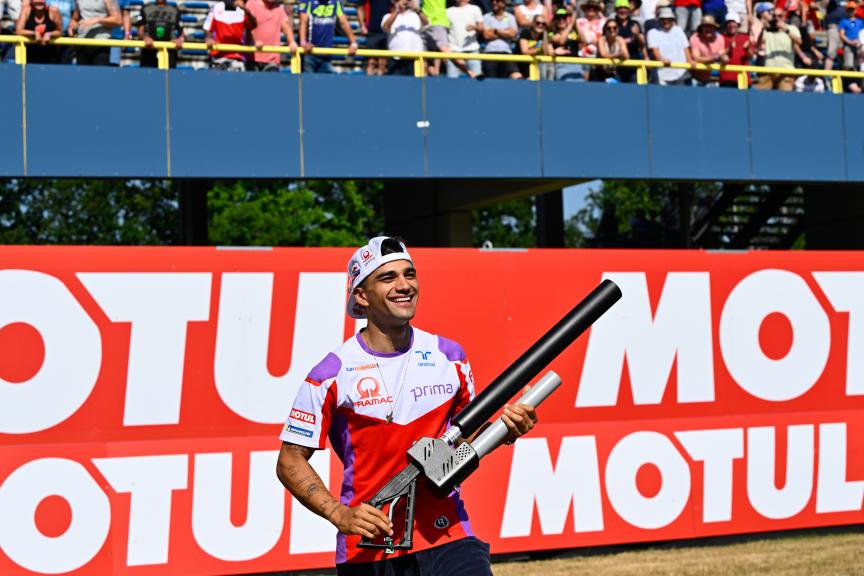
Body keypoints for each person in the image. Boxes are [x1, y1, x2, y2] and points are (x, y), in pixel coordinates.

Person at [275, 236, 538, 575]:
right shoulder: (330, 373)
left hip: (446, 533)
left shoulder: (450, 356)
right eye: (388, 278)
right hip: (370, 546)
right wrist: (339, 514)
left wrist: (507, 429)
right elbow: (289, 459)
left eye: (409, 274)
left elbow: (465, 439)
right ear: (361, 295)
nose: (404, 285)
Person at [299, 0, 356, 74]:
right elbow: (303, 23)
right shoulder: (307, 1)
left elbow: (344, 22)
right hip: (310, 53)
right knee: (308, 83)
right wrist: (303, 43)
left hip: (326, 54)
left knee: (324, 83)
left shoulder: (336, 2)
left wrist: (353, 43)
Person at [753, 3, 799, 90]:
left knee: (785, 99)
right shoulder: (767, 30)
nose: (777, 18)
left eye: (780, 15)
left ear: (785, 16)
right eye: (775, 15)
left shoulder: (791, 28)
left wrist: (785, 30)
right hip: (768, 71)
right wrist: (762, 29)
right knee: (761, 98)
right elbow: (758, 44)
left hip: (786, 71)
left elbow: (799, 42)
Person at [204, 0, 256, 71]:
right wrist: (208, 38)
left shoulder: (243, 9)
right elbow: (207, 27)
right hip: (218, 56)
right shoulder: (216, 7)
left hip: (238, 57)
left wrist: (246, 10)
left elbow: (253, 25)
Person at [647, 5, 693, 84]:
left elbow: (685, 47)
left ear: (672, 20)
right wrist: (661, 59)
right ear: (659, 20)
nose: (666, 21)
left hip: (681, 73)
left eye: (668, 19)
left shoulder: (679, 30)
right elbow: (654, 50)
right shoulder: (652, 32)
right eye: (663, 19)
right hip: (662, 74)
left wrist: (690, 60)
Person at [68, 0, 122, 65]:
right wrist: (71, 26)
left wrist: (97, 19)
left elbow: (118, 20)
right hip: (82, 43)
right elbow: (75, 19)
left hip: (101, 44)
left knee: (99, 74)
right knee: (82, 74)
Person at [382, 0, 426, 75]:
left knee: (416, 86)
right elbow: (386, 27)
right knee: (395, 85)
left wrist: (418, 10)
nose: (405, 2)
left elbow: (427, 24)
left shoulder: (415, 16)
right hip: (396, 59)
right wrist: (397, 10)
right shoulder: (388, 16)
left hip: (415, 60)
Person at [136, 0, 184, 68]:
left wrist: (180, 39)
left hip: (169, 50)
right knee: (148, 75)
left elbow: (182, 32)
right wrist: (145, 38)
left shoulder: (175, 10)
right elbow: (140, 31)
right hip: (149, 49)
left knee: (169, 77)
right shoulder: (146, 8)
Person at [481, 0, 521, 78]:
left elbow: (512, 34)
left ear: (503, 3)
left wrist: (496, 30)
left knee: (506, 79)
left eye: (497, 1)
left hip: (506, 52)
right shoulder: (486, 17)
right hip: (490, 53)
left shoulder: (510, 17)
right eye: (492, 1)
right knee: (490, 80)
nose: (494, 3)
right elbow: (486, 35)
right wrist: (505, 32)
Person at [446, 0, 484, 78]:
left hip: (472, 51)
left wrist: (474, 27)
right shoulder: (448, 11)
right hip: (454, 51)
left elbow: (481, 29)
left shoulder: (475, 9)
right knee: (451, 83)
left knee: (477, 82)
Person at [549, 7, 585, 80]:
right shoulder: (552, 33)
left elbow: (583, 40)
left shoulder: (573, 32)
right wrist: (571, 24)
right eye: (559, 18)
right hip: (562, 65)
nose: (561, 20)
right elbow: (561, 41)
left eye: (564, 18)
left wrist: (575, 23)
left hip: (576, 64)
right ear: (555, 20)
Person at [689, 14, 726, 85]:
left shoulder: (720, 38)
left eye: (711, 26)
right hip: (693, 78)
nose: (709, 29)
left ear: (714, 28)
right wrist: (714, 58)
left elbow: (722, 57)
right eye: (706, 26)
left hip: (712, 79)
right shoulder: (695, 37)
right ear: (701, 28)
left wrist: (724, 58)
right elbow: (696, 58)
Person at [719, 9, 752, 87]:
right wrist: (729, 49)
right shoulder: (720, 38)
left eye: (733, 22)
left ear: (738, 24)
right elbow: (717, 55)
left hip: (743, 78)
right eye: (729, 22)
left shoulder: (745, 38)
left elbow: (750, 56)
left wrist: (747, 49)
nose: (731, 25)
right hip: (726, 79)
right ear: (726, 25)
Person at [358, 0, 391, 74]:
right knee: (371, 62)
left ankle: (381, 83)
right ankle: (368, 83)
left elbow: (395, 7)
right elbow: (360, 8)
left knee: (383, 63)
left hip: (387, 32)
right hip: (372, 32)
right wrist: (362, 26)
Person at [421, 0, 450, 75]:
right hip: (426, 22)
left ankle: (465, 70)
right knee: (428, 53)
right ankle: (434, 74)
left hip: (437, 21)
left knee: (444, 49)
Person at [839, 0, 863, 70]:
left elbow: (862, 33)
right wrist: (850, 42)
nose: (851, 11)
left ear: (855, 10)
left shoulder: (860, 21)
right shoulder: (843, 21)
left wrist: (859, 42)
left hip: (859, 45)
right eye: (849, 10)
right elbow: (842, 34)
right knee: (848, 65)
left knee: (859, 64)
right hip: (848, 45)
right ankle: (847, 80)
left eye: (852, 9)